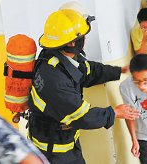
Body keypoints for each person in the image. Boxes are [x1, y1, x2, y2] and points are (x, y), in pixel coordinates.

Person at [27, 6, 139, 164]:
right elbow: (82, 116)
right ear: (74, 42)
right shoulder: (54, 80)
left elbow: (88, 70)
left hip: (65, 140)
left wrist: (119, 71)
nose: (85, 39)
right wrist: (113, 113)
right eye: (83, 36)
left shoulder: (59, 56)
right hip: (53, 150)